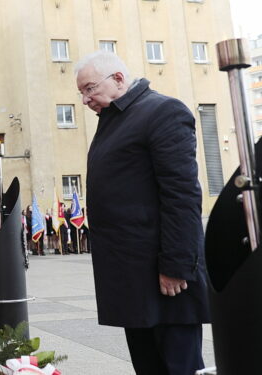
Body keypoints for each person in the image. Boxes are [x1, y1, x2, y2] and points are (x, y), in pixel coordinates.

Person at [75, 51, 209, 375]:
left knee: (179, 366)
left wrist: (177, 264)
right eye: (81, 92)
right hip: (132, 277)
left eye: (90, 88)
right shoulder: (116, 119)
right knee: (149, 366)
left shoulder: (162, 111)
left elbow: (182, 194)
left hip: (164, 276)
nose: (85, 99)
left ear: (118, 79)